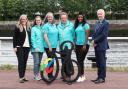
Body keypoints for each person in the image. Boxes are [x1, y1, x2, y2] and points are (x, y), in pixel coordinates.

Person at [91, 9, 109, 84]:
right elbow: (93, 33)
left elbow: (103, 35)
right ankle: (98, 77)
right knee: (98, 62)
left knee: (102, 63)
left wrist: (95, 41)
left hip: (102, 46)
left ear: (104, 14)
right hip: (96, 45)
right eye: (98, 14)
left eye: (101, 14)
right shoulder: (97, 23)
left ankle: (102, 78)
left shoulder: (106, 23)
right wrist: (93, 40)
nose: (99, 15)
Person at [13, 14, 31, 83]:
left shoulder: (29, 27)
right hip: (19, 47)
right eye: (22, 19)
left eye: (25, 19)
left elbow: (30, 38)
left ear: (27, 20)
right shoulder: (17, 27)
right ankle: (21, 77)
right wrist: (14, 47)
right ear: (20, 20)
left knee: (25, 62)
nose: (23, 20)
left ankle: (23, 76)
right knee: (21, 62)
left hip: (27, 47)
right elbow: (14, 37)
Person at [57, 12, 74, 81]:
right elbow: (57, 36)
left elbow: (73, 35)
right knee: (63, 60)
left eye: (65, 18)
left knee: (68, 59)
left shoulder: (71, 25)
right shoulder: (58, 26)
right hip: (61, 45)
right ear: (60, 19)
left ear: (67, 18)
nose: (63, 19)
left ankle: (69, 74)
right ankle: (64, 74)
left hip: (68, 45)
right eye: (62, 18)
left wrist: (73, 43)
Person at [74, 12, 90, 82]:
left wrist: (84, 44)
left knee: (80, 60)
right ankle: (82, 75)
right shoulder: (77, 25)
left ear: (83, 18)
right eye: (79, 17)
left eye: (81, 17)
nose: (80, 18)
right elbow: (75, 36)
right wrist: (74, 45)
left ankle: (81, 76)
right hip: (77, 45)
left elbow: (87, 35)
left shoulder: (86, 25)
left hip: (84, 45)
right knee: (79, 61)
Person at [42, 12, 58, 78]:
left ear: (53, 17)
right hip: (49, 46)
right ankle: (49, 75)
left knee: (51, 60)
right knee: (50, 61)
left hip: (54, 46)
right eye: (48, 17)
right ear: (47, 18)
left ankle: (50, 74)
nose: (50, 18)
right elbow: (45, 36)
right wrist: (49, 46)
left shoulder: (54, 25)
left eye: (51, 17)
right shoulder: (46, 26)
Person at [31, 16, 44, 81]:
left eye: (39, 20)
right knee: (36, 62)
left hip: (41, 48)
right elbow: (32, 39)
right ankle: (35, 75)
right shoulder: (33, 28)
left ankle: (38, 74)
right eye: (37, 20)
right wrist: (35, 47)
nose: (38, 21)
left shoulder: (42, 28)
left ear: (41, 21)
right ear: (35, 21)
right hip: (35, 49)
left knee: (39, 63)